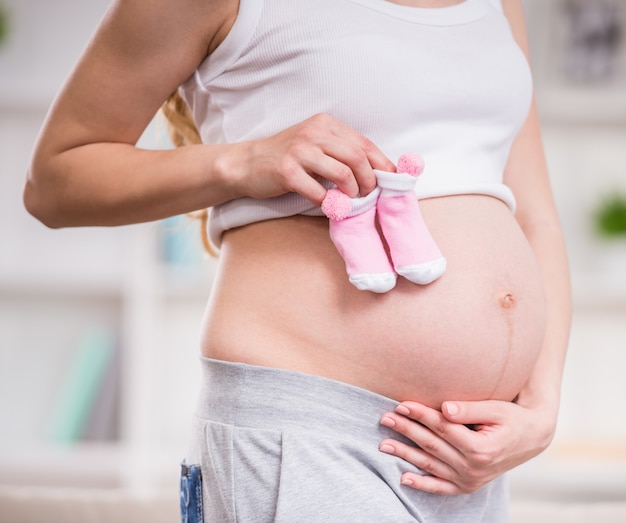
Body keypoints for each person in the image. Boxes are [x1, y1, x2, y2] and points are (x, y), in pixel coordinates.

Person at [24, 0, 571, 520]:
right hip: (310, 428)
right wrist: (245, 160)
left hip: (470, 457)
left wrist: (540, 412)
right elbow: (53, 181)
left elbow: (535, 217)